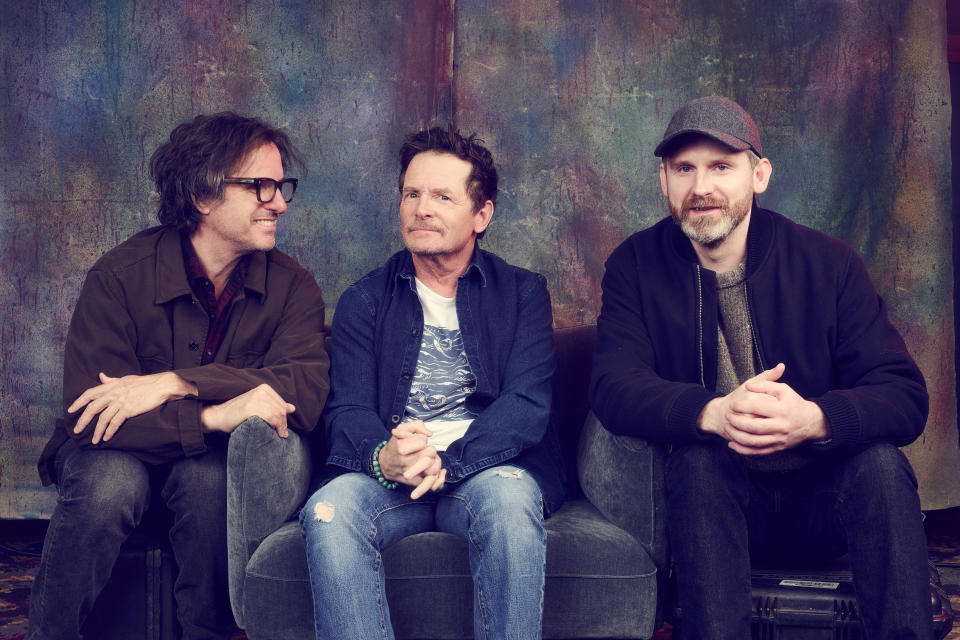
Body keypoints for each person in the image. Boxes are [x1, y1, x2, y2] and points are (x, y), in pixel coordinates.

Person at [590, 96, 932, 639]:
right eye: (685, 169)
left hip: (824, 507)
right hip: (716, 514)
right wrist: (714, 414)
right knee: (699, 464)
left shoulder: (829, 264)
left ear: (760, 175)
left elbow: (905, 395)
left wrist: (815, 419)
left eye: (721, 166)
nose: (701, 187)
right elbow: (613, 386)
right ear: (664, 180)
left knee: (881, 466)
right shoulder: (634, 265)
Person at [28, 112, 330, 640]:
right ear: (202, 196)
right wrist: (215, 412)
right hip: (114, 455)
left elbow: (304, 391)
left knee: (212, 482)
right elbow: (91, 417)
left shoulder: (294, 287)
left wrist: (177, 382)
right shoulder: (119, 276)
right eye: (260, 186)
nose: (279, 202)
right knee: (107, 485)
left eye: (282, 187)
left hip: (212, 461)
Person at [299, 126, 565, 639]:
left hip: (488, 472)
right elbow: (347, 408)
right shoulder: (364, 300)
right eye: (412, 194)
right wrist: (383, 457)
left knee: (510, 506)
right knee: (329, 513)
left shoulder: (523, 293)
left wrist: (452, 462)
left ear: (481, 215)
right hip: (394, 476)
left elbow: (527, 404)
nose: (422, 208)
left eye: (443, 196)